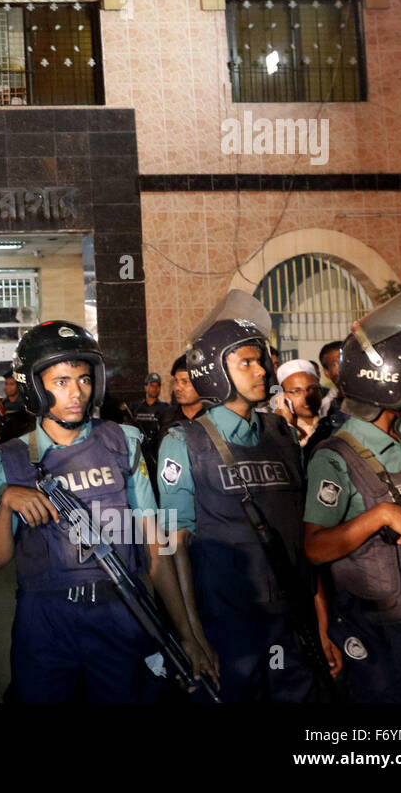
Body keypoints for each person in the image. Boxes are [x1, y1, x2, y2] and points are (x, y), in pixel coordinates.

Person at [0, 322, 207, 702]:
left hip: (119, 609)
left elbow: (155, 543)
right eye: (62, 382)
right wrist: (6, 502)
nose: (77, 393)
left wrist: (187, 632)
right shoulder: (8, 459)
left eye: (84, 379)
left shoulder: (124, 440)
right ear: (34, 387)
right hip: (44, 620)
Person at [156, 290, 340, 702]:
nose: (262, 370)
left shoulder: (281, 434)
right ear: (217, 371)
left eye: (261, 360)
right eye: (247, 362)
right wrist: (191, 636)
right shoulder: (183, 442)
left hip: (293, 624)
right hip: (227, 629)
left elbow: (299, 539)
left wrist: (321, 625)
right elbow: (172, 545)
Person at [304, 288, 401, 703]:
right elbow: (314, 548)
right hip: (384, 638)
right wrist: (378, 516)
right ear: (384, 383)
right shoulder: (334, 458)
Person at [271, 359, 336, 463]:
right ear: (283, 397)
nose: (306, 396)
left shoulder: (334, 426)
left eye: (312, 389)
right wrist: (285, 427)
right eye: (296, 391)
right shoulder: (273, 434)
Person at [131, 372, 174, 471]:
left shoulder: (166, 408)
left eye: (157, 386)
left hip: (158, 453)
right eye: (151, 385)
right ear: (146, 387)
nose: (155, 388)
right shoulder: (135, 408)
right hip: (139, 452)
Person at [0, 369, 33, 446]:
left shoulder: (27, 404)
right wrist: (2, 441)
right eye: (6, 384)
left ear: (19, 386)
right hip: (6, 446)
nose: (8, 387)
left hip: (26, 445)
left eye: (12, 384)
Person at [318, 340, 347, 423]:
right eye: (336, 364)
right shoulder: (326, 408)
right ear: (326, 373)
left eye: (347, 360)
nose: (344, 366)